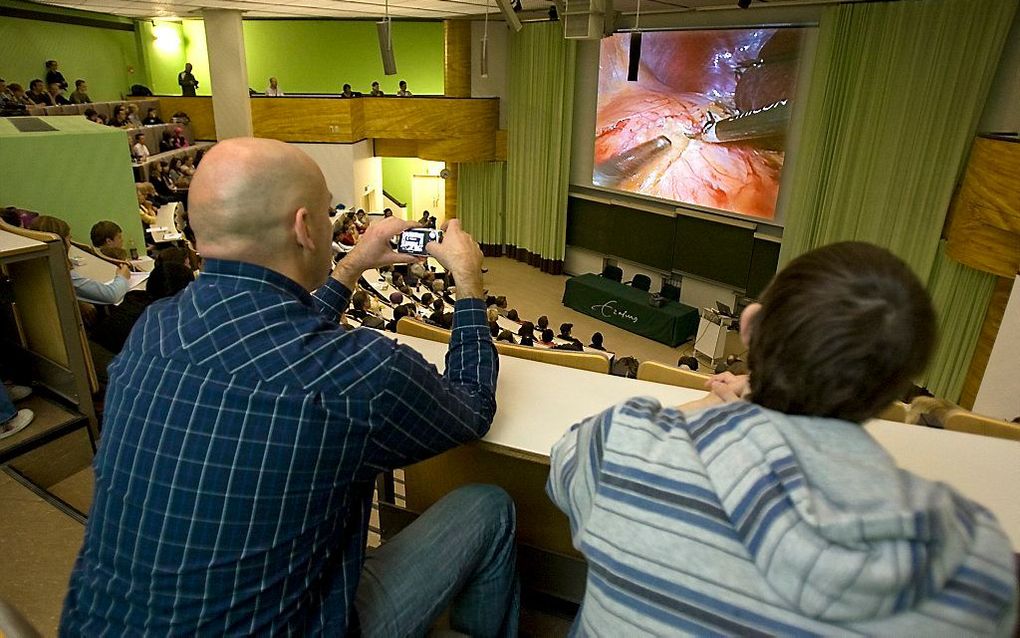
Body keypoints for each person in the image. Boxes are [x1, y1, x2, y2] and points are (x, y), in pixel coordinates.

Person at [60, 138, 517, 636]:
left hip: (99, 625)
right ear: (304, 228)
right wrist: (469, 280)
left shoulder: (153, 330)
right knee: (489, 506)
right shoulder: (361, 372)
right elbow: (471, 407)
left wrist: (351, 265)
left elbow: (272, 346)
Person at [548, 242, 1018, 635]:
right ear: (898, 388)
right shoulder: (979, 563)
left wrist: (717, 402)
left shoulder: (621, 446)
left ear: (749, 329)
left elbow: (564, 463)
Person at [30, 216, 131, 305]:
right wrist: (122, 276)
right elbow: (111, 295)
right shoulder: (62, 273)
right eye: (68, 239)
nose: (70, 244)